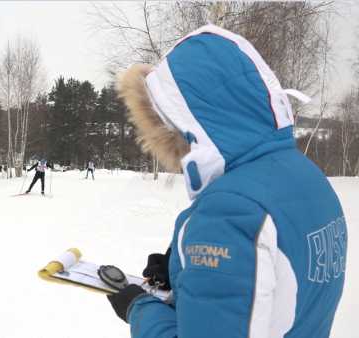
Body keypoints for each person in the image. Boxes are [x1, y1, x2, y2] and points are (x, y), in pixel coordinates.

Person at [107, 24, 347, 338]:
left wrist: (139, 308)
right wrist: (184, 271)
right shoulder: (308, 178)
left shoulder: (230, 210)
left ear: (188, 121)